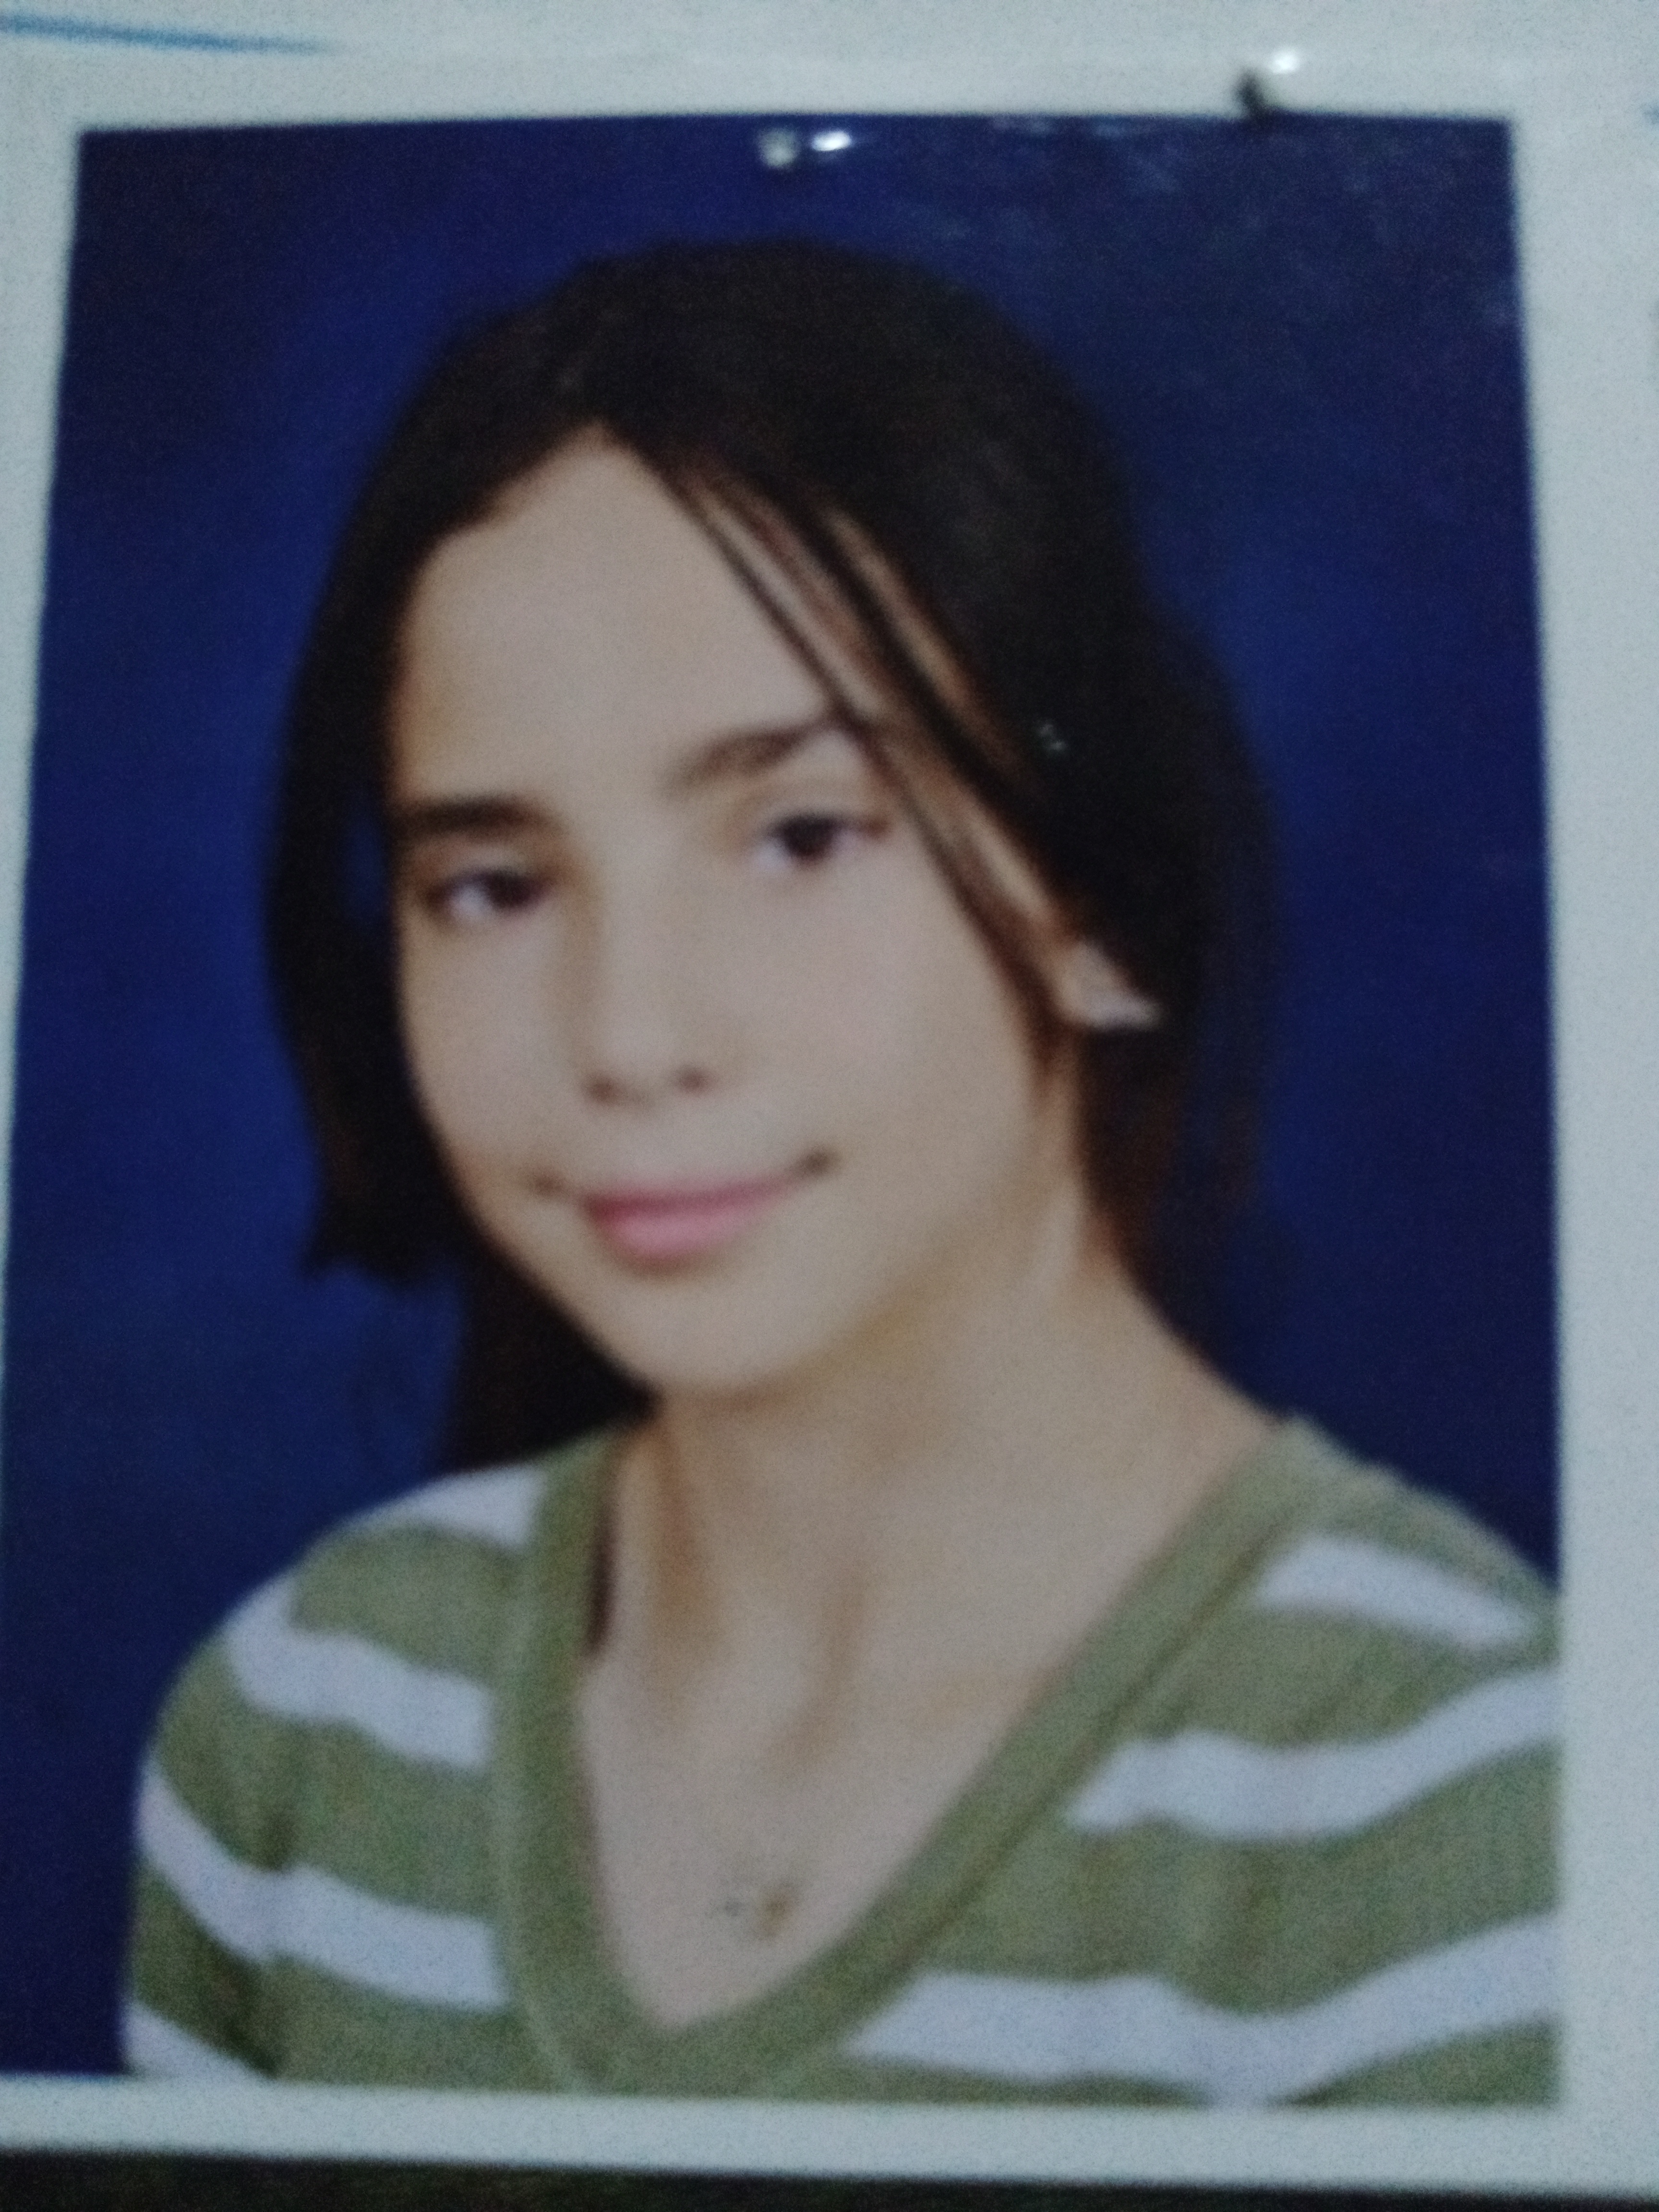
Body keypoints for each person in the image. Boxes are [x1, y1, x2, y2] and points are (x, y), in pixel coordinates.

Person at [124, 240, 1555, 2103]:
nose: (630, 1033)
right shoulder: (308, 1729)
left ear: (1099, 902)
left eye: (800, 836)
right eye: (495, 885)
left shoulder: (1454, 1796)